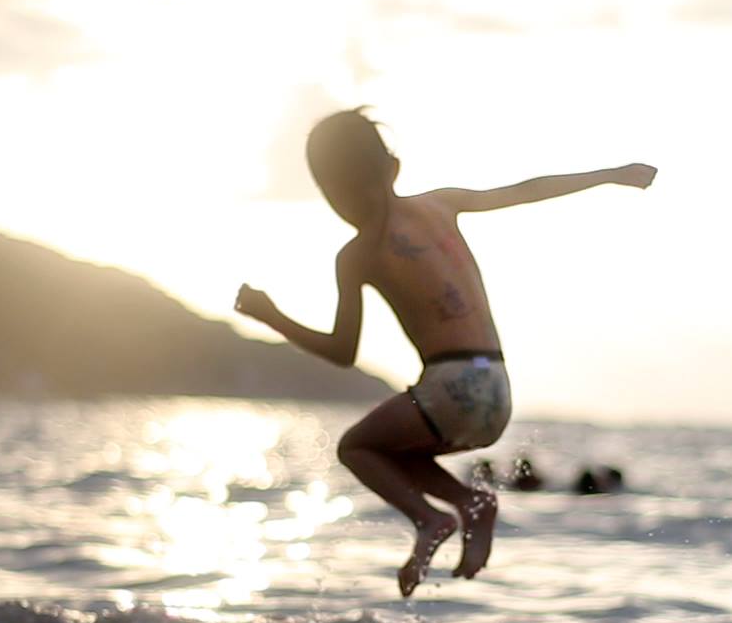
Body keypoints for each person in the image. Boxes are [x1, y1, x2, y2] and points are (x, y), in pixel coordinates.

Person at [236, 109, 655, 595]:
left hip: (451, 387)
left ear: (337, 190)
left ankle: (429, 519)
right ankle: (471, 504)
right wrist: (610, 176)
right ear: (390, 167)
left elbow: (342, 351)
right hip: (496, 389)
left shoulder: (356, 255)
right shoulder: (441, 205)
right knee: (397, 450)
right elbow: (524, 190)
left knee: (357, 447)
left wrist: (271, 316)